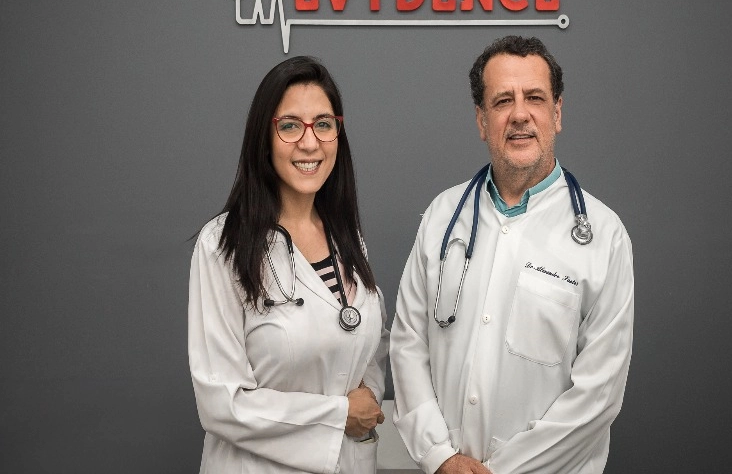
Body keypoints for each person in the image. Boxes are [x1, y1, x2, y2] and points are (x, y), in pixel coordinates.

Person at [390, 36, 634, 474]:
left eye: (535, 98)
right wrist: (439, 456)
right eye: (503, 100)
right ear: (482, 121)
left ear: (557, 113)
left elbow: (598, 396)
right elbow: (408, 343)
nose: (520, 114)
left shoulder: (605, 236)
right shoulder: (443, 216)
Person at [189, 56, 389, 474]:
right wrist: (338, 415)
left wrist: (368, 394)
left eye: (324, 124)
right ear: (264, 138)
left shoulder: (348, 238)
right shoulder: (223, 245)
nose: (310, 143)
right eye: (290, 126)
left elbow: (367, 345)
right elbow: (222, 403)